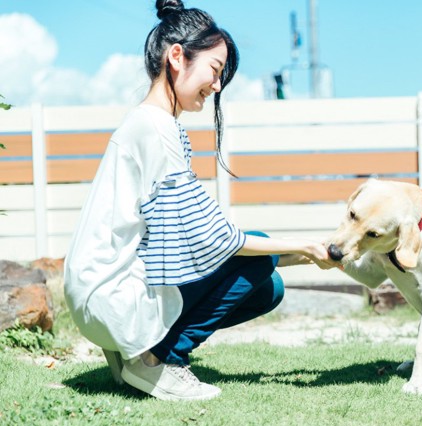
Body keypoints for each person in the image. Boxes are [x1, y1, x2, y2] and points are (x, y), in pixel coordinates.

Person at [63, 0, 335, 401]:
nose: (217, 85)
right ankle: (155, 359)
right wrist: (302, 245)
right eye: (215, 69)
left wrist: (308, 254)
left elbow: (191, 243)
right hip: (110, 294)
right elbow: (214, 239)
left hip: (100, 291)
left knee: (268, 288)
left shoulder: (151, 123)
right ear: (177, 56)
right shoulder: (156, 129)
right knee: (258, 253)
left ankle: (132, 351)